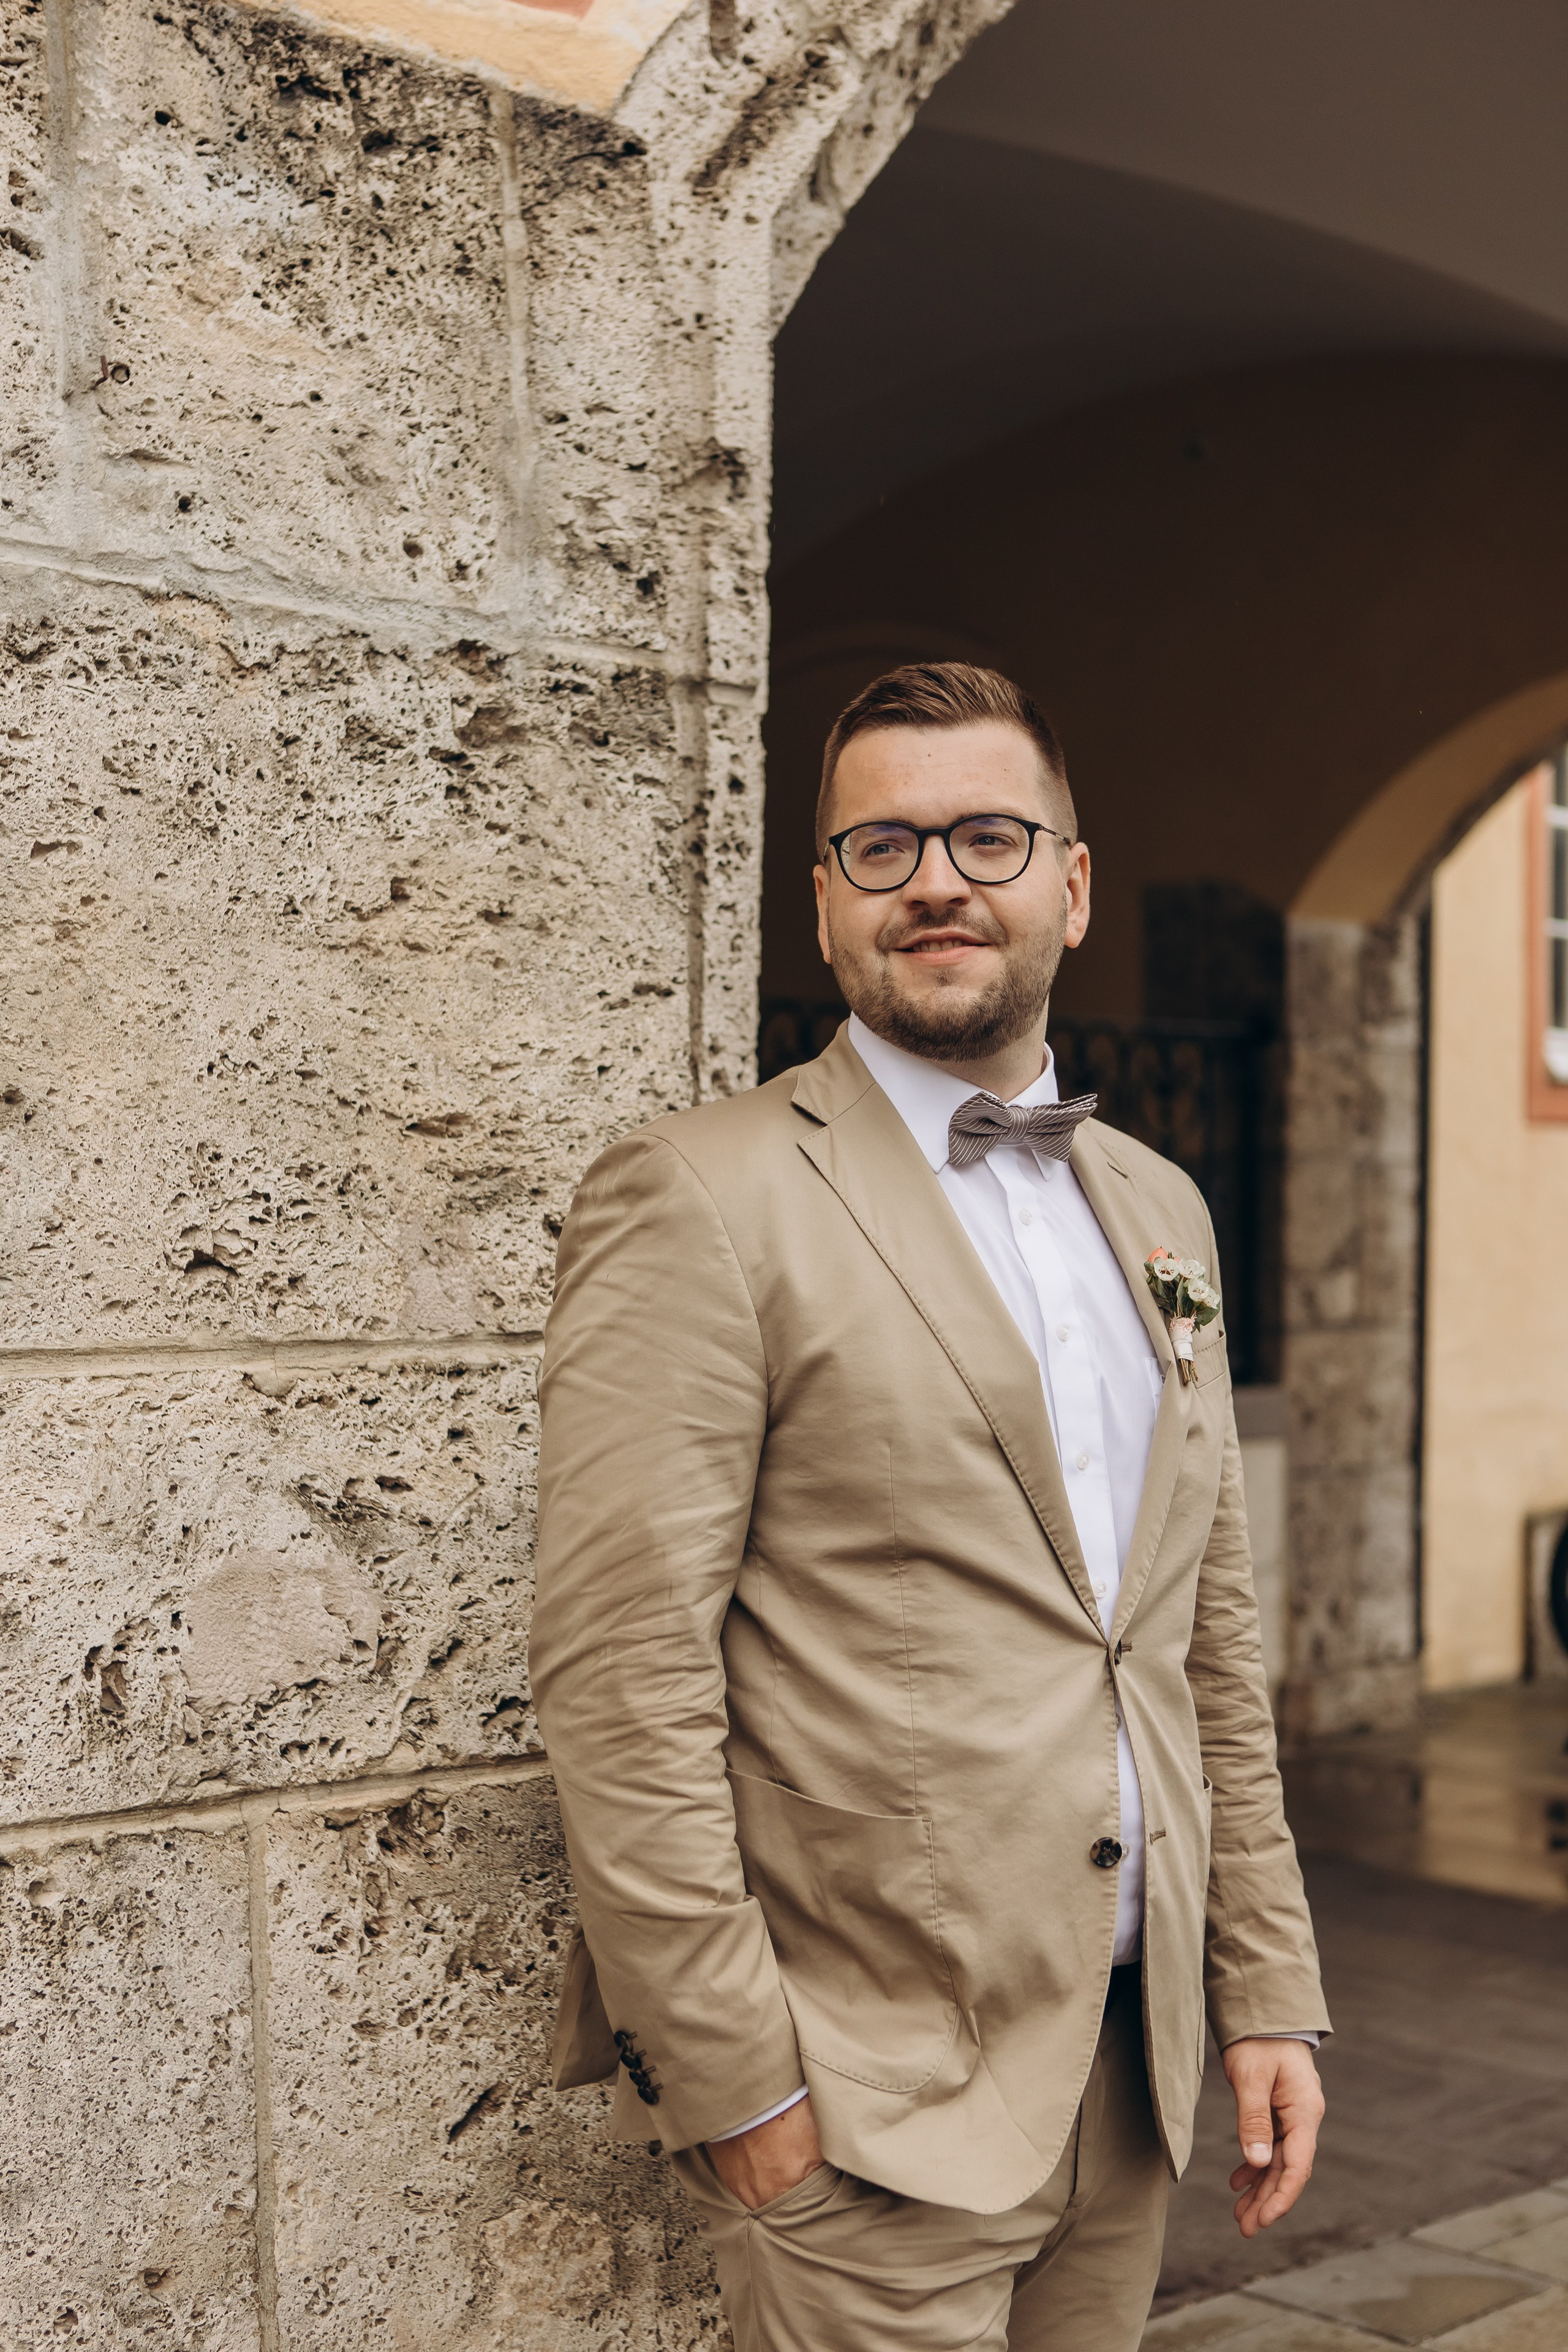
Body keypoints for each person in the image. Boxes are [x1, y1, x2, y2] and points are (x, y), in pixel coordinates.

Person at [529, 662, 1329, 2351]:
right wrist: (734, 2075)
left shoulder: (1159, 1200)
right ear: (823, 900)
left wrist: (1262, 1990)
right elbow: (622, 1675)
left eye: (986, 835)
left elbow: (1202, 1645)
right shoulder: (703, 1197)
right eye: (883, 849)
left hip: (1126, 2071)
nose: (941, 883)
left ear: (1073, 882)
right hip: (863, 2108)